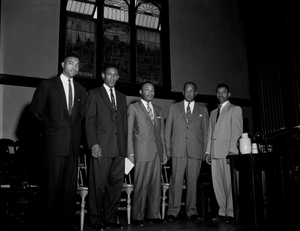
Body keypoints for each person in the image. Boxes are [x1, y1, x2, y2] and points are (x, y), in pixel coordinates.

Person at [30, 54, 86, 231]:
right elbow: (35, 113)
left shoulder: (81, 89)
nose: (74, 67)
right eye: (70, 63)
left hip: (73, 147)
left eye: (77, 65)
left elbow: (81, 118)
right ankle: (48, 225)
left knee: (70, 189)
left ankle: (66, 225)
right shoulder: (47, 85)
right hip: (54, 144)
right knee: (51, 188)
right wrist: (51, 130)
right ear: (62, 64)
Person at [85, 63, 128, 230]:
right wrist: (93, 144)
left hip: (119, 149)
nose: (112, 77)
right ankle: (94, 219)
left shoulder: (122, 97)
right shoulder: (94, 94)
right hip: (101, 147)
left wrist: (126, 149)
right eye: (109, 74)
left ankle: (110, 219)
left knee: (115, 186)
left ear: (118, 77)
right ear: (103, 75)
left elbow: (123, 124)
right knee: (97, 186)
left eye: (115, 74)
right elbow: (90, 122)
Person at [165, 82, 209, 221]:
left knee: (192, 183)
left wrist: (206, 152)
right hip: (177, 150)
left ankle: (191, 211)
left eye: (192, 91)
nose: (189, 93)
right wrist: (167, 150)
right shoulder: (173, 107)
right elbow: (167, 131)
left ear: (196, 93)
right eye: (187, 90)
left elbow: (206, 133)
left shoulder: (203, 110)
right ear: (183, 92)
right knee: (175, 181)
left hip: (195, 151)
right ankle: (173, 211)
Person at [127, 82, 167, 226]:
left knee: (156, 185)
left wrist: (164, 152)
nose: (150, 92)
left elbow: (161, 134)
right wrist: (130, 154)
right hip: (140, 152)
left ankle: (153, 214)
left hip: (157, 153)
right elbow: (129, 133)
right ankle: (137, 216)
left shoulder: (158, 110)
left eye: (153, 90)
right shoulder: (133, 108)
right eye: (147, 89)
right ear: (140, 91)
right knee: (140, 185)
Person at [205, 83, 243, 224]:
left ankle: (231, 212)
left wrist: (233, 152)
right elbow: (210, 133)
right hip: (215, 153)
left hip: (227, 153)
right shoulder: (213, 112)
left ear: (229, 94)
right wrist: (208, 151)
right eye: (218, 92)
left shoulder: (235, 109)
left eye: (224, 92)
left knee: (229, 184)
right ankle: (222, 212)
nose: (221, 94)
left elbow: (237, 131)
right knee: (218, 184)